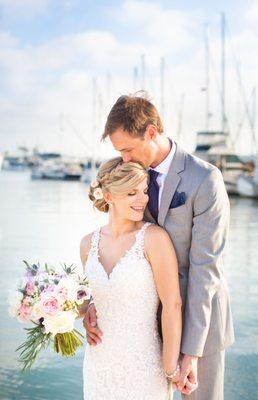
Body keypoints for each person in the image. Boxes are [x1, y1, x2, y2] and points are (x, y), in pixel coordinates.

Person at [84, 92, 235, 400]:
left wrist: (190, 352)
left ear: (151, 132)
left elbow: (206, 270)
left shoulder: (205, 179)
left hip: (199, 325)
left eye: (127, 148)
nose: (123, 158)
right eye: (118, 151)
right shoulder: (130, 177)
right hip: (148, 329)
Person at [80, 157, 186, 400]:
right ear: (108, 196)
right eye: (131, 193)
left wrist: (170, 368)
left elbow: (173, 305)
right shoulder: (87, 244)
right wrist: (73, 312)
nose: (143, 200)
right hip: (99, 364)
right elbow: (93, 299)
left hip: (144, 369)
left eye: (145, 190)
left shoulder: (154, 239)